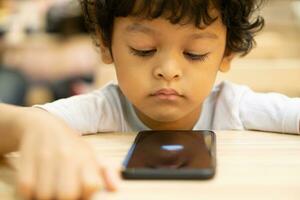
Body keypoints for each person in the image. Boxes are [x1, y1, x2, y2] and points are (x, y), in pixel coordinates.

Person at [0, 0, 299, 199]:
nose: (168, 71)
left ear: (227, 53)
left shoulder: (234, 106)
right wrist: (32, 126)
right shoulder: (103, 110)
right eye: (143, 49)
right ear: (106, 45)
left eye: (195, 53)